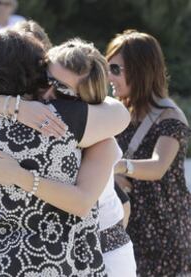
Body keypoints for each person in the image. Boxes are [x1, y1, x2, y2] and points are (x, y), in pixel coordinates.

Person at [0, 30, 130, 276]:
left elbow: (82, 202)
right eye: (44, 79)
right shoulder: (24, 110)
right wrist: (16, 107)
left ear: (86, 96)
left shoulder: (87, 127)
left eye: (62, 90)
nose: (48, 94)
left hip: (100, 252)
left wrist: (19, 175)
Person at [107, 29, 191, 276]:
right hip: (127, 229)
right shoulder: (117, 111)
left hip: (162, 235)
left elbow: (158, 166)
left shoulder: (170, 116)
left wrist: (118, 167)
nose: (109, 77)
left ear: (140, 71)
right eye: (107, 68)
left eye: (116, 70)